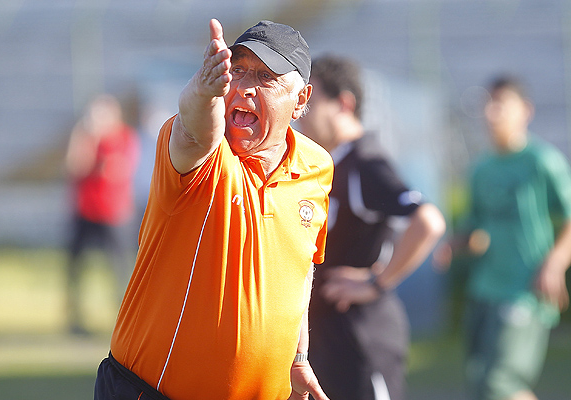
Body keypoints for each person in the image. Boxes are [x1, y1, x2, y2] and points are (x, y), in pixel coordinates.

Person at [94, 19, 333, 400]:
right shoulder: (205, 153)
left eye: (265, 76)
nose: (245, 86)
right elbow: (194, 130)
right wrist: (201, 93)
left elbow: (302, 268)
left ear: (301, 99)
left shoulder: (317, 166)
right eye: (237, 70)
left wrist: (297, 357)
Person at [298, 55, 446, 400]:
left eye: (311, 100)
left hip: (363, 338)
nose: (301, 112)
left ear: (343, 104)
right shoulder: (331, 163)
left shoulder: (366, 161)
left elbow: (429, 222)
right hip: (328, 339)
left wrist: (375, 282)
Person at [443, 75, 571, 400]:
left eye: (500, 104)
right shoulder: (481, 169)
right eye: (488, 104)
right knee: (479, 386)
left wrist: (554, 264)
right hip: (485, 289)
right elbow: (477, 233)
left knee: (501, 385)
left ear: (525, 110)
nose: (491, 112)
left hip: (524, 291)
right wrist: (452, 246)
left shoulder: (541, 161)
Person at [65, 94, 140, 335]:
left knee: (119, 268)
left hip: (113, 213)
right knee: (76, 267)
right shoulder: (86, 139)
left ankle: (124, 319)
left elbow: (117, 169)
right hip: (85, 210)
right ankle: (75, 319)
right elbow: (75, 166)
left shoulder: (124, 137)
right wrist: (84, 139)